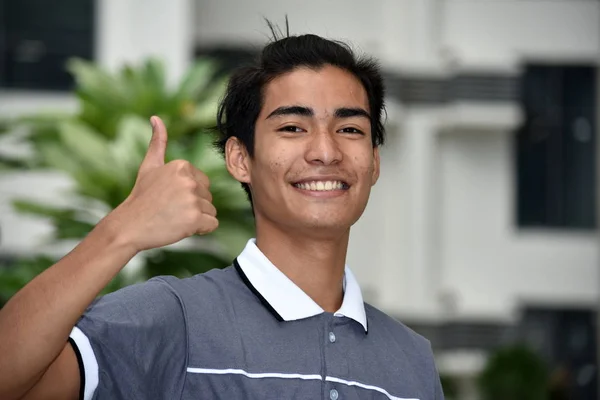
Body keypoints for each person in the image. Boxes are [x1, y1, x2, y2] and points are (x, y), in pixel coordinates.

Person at [0, 30, 444, 400]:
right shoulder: (171, 318)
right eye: (292, 127)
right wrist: (123, 231)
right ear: (239, 159)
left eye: (350, 129)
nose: (326, 151)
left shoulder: (412, 360)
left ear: (374, 162)